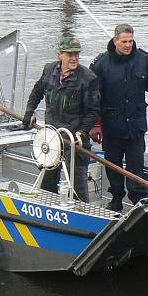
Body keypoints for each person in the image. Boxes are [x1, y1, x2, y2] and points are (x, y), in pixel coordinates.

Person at [90, 23, 148, 212]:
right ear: (115, 41)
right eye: (124, 41)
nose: (128, 45)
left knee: (136, 169)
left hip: (135, 127)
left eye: (130, 41)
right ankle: (115, 199)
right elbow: (93, 98)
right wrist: (96, 125)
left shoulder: (144, 60)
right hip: (112, 127)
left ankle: (138, 202)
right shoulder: (101, 64)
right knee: (113, 167)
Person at [22, 36, 100, 202]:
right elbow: (36, 93)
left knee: (77, 186)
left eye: (77, 54)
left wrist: (82, 132)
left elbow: (93, 111)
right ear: (60, 55)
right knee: (48, 183)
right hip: (52, 138)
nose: (74, 58)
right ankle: (47, 208)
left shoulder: (88, 78)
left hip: (75, 140)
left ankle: (81, 216)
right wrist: (29, 112)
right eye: (69, 54)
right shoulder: (49, 70)